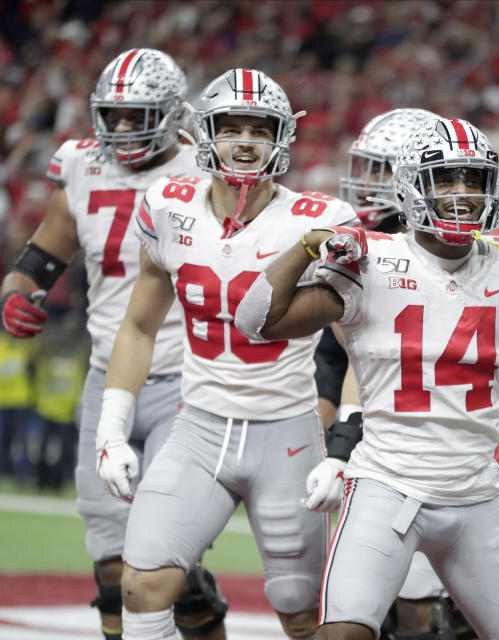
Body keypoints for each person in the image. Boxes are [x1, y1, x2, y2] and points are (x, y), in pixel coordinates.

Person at [234, 117, 499, 640]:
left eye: (472, 180)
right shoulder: (372, 259)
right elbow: (255, 320)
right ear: (413, 187)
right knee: (343, 633)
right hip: (387, 486)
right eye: (446, 179)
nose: (461, 194)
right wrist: (306, 247)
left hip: (477, 494)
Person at [94, 68, 358, 640]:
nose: (244, 141)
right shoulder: (167, 205)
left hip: (286, 431)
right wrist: (111, 430)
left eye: (258, 129)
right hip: (200, 426)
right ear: (202, 133)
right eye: (230, 127)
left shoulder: (321, 221)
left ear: (281, 138)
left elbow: (361, 348)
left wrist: (343, 447)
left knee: (301, 608)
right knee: (140, 586)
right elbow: (139, 327)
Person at [0, 48, 229, 640]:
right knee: (108, 563)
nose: (123, 129)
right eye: (116, 116)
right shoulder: (80, 164)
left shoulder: (211, 173)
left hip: (189, 375)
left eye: (139, 115)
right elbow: (42, 254)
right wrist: (17, 291)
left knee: (169, 568)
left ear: (173, 113)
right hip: (107, 376)